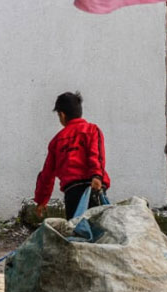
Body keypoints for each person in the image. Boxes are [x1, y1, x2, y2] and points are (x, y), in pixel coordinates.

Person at [33, 91, 111, 219]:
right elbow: (96, 155)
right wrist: (96, 176)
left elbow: (47, 174)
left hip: (72, 192)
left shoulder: (57, 141)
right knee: (99, 228)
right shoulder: (92, 130)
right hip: (94, 186)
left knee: (76, 229)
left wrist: (41, 200)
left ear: (62, 115)